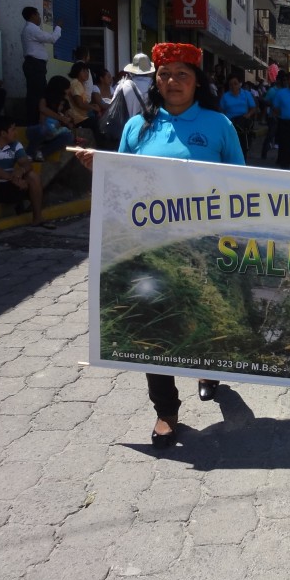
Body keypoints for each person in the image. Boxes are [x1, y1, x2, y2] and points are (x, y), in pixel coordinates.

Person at [73, 42, 244, 449]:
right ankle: (165, 411)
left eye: (181, 74)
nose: (171, 82)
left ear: (197, 81)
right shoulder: (138, 127)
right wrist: (102, 167)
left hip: (205, 241)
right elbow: (124, 180)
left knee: (207, 312)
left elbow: (242, 182)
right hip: (150, 244)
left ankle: (207, 368)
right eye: (164, 75)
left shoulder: (219, 125)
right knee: (153, 324)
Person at [0, 117, 55, 234]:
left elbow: (26, 163)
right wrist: (12, 178)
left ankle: (38, 217)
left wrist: (21, 170)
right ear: (3, 133)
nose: (16, 133)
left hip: (5, 185)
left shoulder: (15, 145)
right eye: (13, 130)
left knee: (32, 176)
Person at [21, 6, 62, 126]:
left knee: (37, 93)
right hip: (35, 65)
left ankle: (35, 120)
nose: (39, 18)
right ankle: (33, 122)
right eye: (38, 15)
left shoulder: (29, 29)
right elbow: (52, 38)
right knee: (36, 95)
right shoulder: (31, 29)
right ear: (33, 15)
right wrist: (58, 27)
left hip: (35, 65)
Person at [28, 76, 77, 161]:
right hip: (37, 129)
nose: (69, 90)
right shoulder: (44, 98)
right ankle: (29, 153)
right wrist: (60, 118)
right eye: (67, 88)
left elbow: (69, 118)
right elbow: (42, 110)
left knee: (69, 136)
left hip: (54, 132)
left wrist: (69, 121)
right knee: (43, 129)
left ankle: (41, 153)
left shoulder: (65, 101)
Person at [220, 74, 258, 156]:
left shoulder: (246, 94)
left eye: (235, 83)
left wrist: (247, 115)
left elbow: (253, 108)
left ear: (239, 84)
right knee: (231, 149)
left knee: (243, 147)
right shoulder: (225, 96)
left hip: (243, 124)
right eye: (231, 84)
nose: (233, 86)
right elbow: (221, 111)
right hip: (230, 125)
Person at [67, 62, 97, 131]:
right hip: (77, 119)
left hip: (82, 117)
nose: (86, 73)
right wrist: (93, 107)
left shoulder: (80, 84)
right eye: (83, 71)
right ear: (77, 71)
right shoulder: (76, 83)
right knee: (96, 122)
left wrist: (92, 106)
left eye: (87, 71)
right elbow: (80, 104)